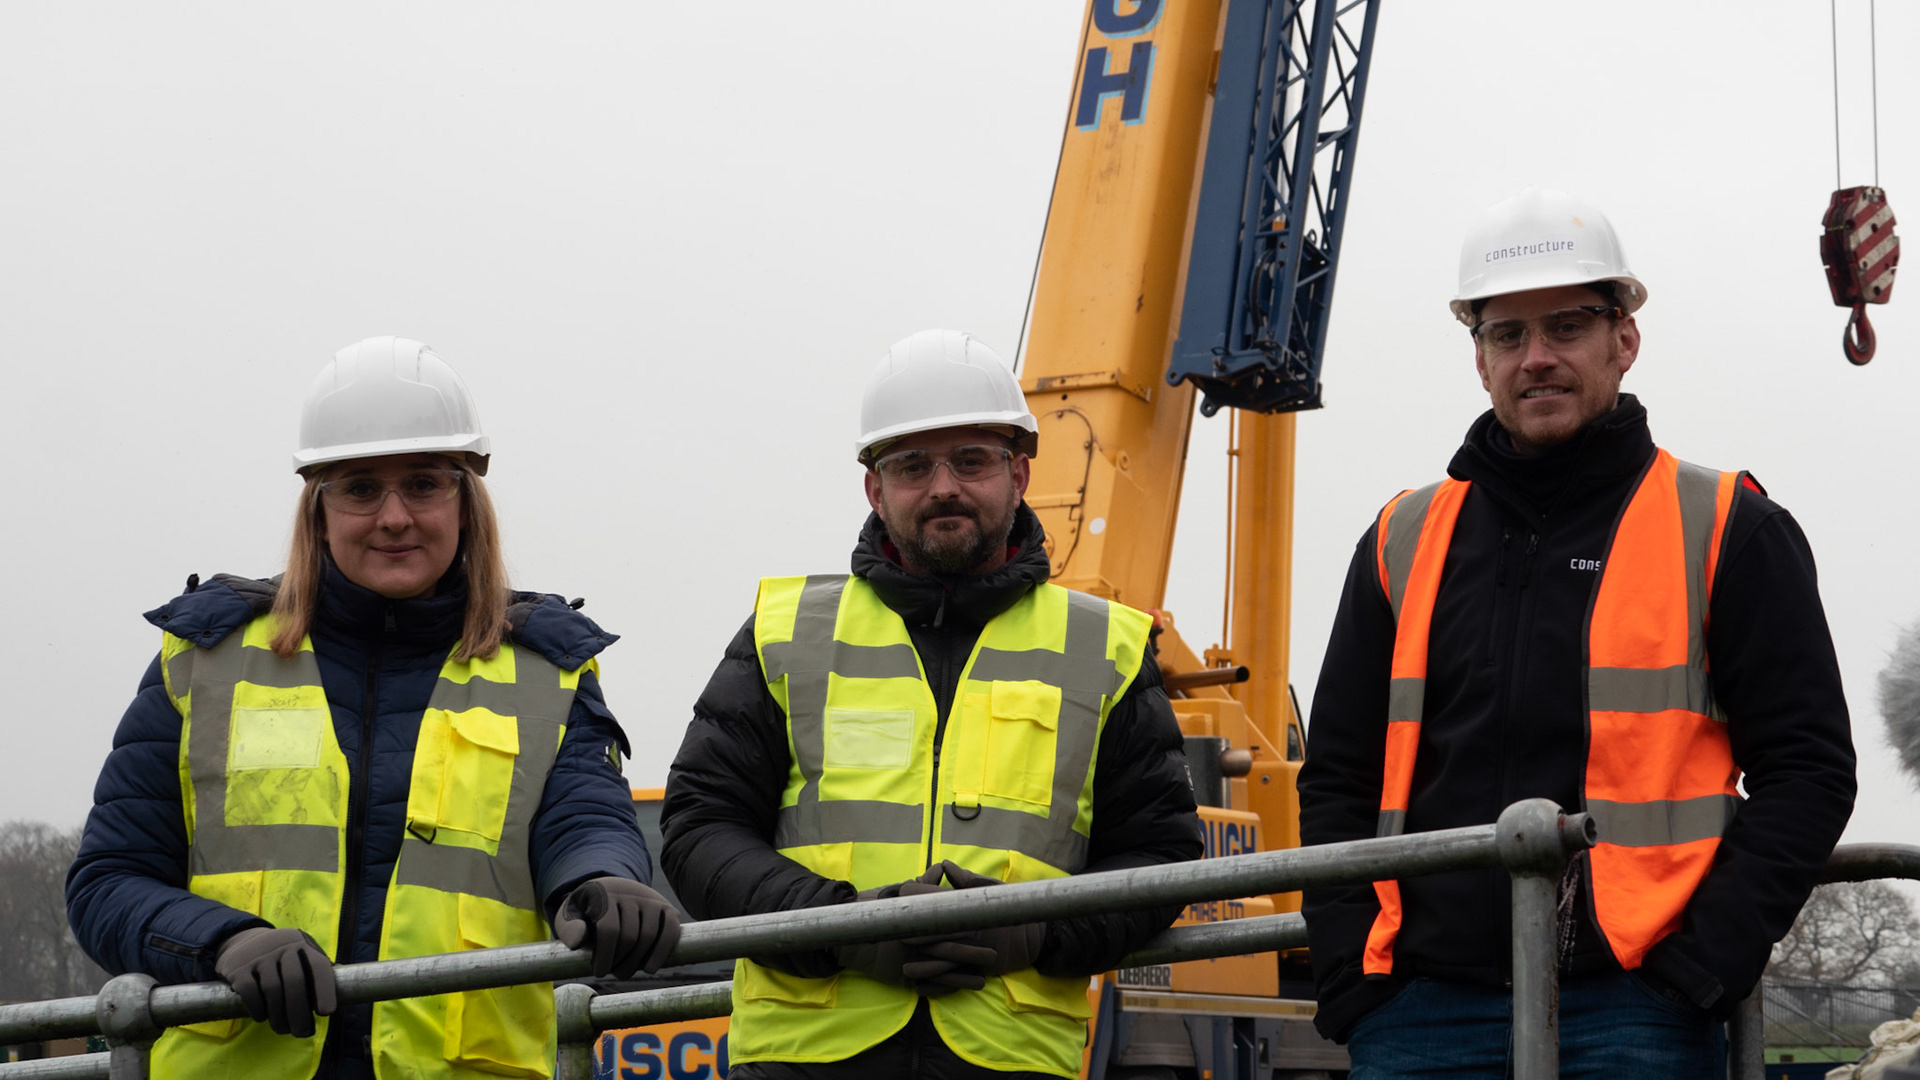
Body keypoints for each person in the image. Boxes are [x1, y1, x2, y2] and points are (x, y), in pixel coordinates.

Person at [1295, 188, 1858, 1078]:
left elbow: (1811, 770)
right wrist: (1352, 973)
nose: (1538, 358)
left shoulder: (1727, 526)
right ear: (1478, 359)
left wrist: (1703, 967)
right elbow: (1336, 776)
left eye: (1566, 326)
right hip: (1418, 1012)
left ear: (1623, 340)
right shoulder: (1403, 539)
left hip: (1635, 1005)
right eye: (1507, 335)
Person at [67, 336, 681, 1080]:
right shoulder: (202, 660)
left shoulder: (548, 672)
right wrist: (223, 942)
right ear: (319, 508)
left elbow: (584, 823)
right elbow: (109, 882)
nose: (394, 516)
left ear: (465, 501)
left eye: (424, 484)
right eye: (361, 488)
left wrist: (605, 882)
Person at [659, 329, 1202, 1079]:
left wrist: (1034, 932)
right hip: (803, 1056)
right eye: (913, 465)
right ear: (876, 490)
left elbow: (1160, 856)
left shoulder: (1105, 647)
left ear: (1019, 474)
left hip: (1010, 1059)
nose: (943, 485)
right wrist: (846, 926)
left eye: (971, 460)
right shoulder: (787, 632)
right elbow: (698, 830)